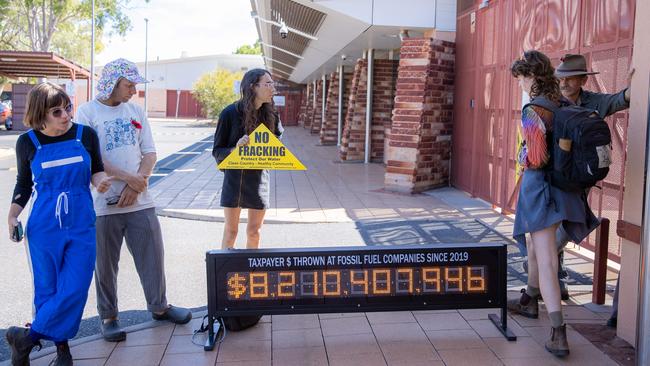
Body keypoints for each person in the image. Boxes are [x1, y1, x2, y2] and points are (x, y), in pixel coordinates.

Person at [76, 58, 191, 343]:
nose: (133, 91)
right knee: (105, 264)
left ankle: (159, 307)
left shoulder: (136, 110)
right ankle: (108, 316)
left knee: (152, 254)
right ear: (112, 84)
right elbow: (92, 159)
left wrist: (137, 185)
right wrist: (131, 178)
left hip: (140, 200)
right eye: (129, 85)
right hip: (103, 204)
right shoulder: (87, 112)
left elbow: (150, 153)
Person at [517, 53, 632, 321]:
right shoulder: (554, 99)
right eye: (561, 78)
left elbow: (536, 155)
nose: (565, 84)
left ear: (582, 80)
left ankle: (545, 299)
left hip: (569, 182)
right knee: (543, 248)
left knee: (548, 246)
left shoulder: (558, 103)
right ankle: (535, 296)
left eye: (571, 79)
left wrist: (635, 83)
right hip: (558, 181)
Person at [5, 82, 112, 366]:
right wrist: (12, 215)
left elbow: (97, 171)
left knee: (75, 286)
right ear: (40, 115)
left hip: (80, 221)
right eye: (57, 111)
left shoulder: (85, 135)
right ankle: (62, 348)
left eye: (68, 108)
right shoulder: (27, 142)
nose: (66, 116)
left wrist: (101, 183)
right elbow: (24, 184)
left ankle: (25, 338)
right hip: (44, 225)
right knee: (47, 288)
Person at [508, 50, 599, 357]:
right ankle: (530, 300)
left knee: (546, 259)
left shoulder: (534, 109)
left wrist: (521, 155)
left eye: (521, 77)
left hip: (542, 191)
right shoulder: (564, 104)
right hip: (566, 191)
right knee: (535, 249)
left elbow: (536, 158)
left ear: (531, 77)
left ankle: (558, 333)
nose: (519, 83)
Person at [212, 68, 283, 249]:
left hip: (259, 179)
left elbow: (277, 144)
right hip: (235, 179)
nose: (272, 88)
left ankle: (251, 274)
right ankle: (226, 274)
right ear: (253, 87)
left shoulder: (272, 114)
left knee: (254, 232)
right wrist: (235, 149)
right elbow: (217, 150)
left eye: (272, 83)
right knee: (231, 231)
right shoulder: (229, 113)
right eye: (268, 84)